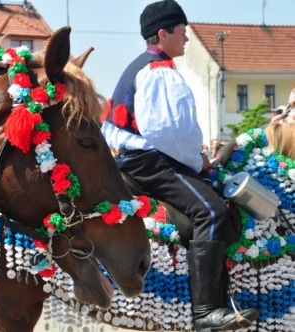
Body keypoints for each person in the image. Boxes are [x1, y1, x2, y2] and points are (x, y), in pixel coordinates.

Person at [100, 1, 259, 331]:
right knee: (211, 211)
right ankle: (205, 313)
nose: (186, 39)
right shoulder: (160, 71)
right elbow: (168, 133)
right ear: (163, 34)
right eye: (182, 33)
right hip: (151, 160)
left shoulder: (139, 66)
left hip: (137, 156)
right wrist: (198, 161)